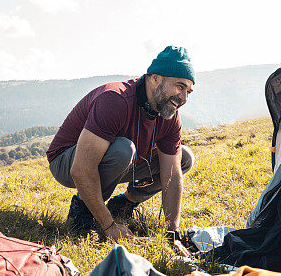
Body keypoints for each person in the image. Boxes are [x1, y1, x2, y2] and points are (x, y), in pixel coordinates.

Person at [46, 46, 195, 251]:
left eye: (188, 91)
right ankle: (82, 210)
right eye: (179, 87)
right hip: (66, 160)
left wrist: (173, 233)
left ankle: (124, 203)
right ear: (155, 78)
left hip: (121, 159)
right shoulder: (115, 99)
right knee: (123, 149)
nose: (184, 97)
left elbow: (172, 174)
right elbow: (80, 169)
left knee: (183, 158)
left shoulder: (169, 114)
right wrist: (109, 226)